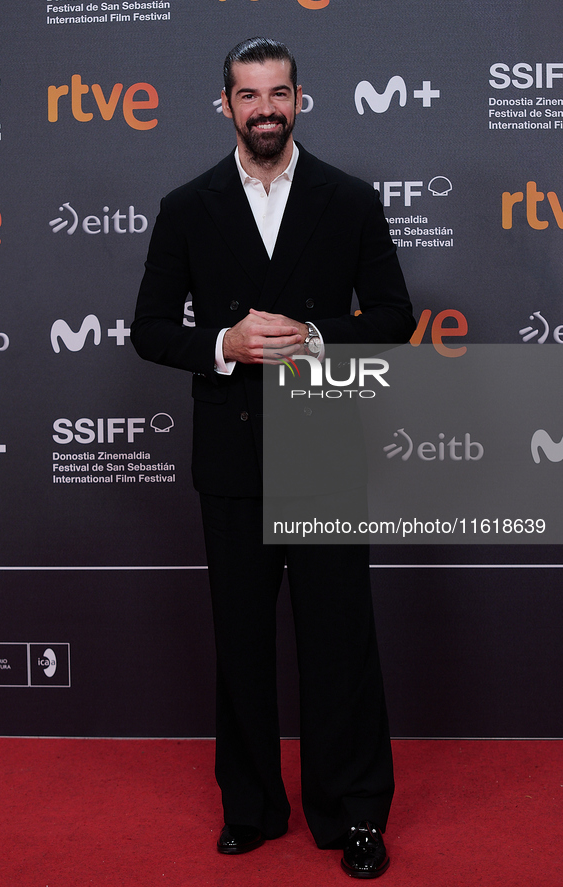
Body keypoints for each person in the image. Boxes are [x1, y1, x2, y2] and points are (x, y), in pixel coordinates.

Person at [131, 37, 415, 879]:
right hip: (230, 453)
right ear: (224, 104)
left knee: (340, 644)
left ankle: (355, 812)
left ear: (300, 99)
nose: (264, 108)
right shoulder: (187, 204)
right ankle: (249, 806)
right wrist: (224, 341)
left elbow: (395, 316)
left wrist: (318, 337)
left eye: (278, 93)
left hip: (324, 442)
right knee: (242, 642)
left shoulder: (349, 198)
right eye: (248, 95)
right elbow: (148, 328)